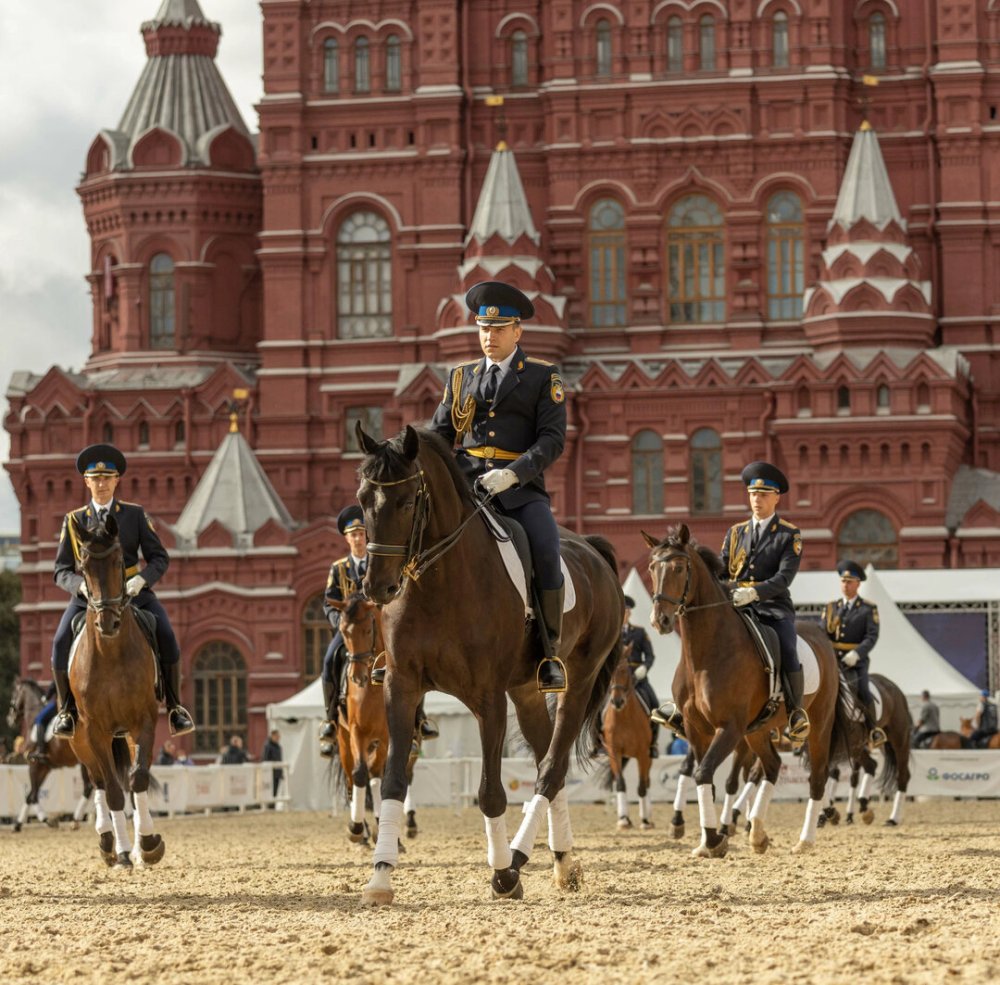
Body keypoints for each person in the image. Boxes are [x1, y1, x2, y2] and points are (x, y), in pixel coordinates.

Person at [430, 280, 568, 692]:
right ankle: (397, 645)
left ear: (517, 332)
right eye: (483, 329)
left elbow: (552, 440)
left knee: (545, 549)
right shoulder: (460, 378)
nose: (489, 337)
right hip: (468, 491)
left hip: (519, 491)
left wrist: (515, 473)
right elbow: (440, 435)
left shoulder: (543, 377)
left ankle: (548, 653)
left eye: (498, 329)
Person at [50, 444, 194, 739]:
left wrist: (141, 580)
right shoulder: (74, 520)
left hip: (132, 592)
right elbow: (61, 569)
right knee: (59, 641)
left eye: (107, 478)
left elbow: (159, 557)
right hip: (89, 597)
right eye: (96, 479)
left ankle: (176, 708)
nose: (101, 484)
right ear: (86, 482)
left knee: (166, 635)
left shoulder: (135, 515)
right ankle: (67, 711)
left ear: (117, 481)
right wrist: (78, 587)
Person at [694, 462, 809, 741]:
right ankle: (684, 703)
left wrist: (755, 593)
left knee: (788, 646)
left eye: (764, 495)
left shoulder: (788, 534)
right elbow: (722, 571)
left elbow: (784, 578)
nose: (757, 500)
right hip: (735, 606)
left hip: (772, 607)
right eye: (753, 494)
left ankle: (794, 713)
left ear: (776, 498)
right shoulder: (735, 533)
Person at [318, 505, 437, 752]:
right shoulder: (338, 568)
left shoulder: (380, 564)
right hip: (352, 632)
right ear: (346, 538)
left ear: (367, 536)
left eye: (361, 534)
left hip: (383, 629)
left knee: (412, 663)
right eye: (353, 535)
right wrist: (339, 624)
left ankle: (419, 720)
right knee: (329, 661)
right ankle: (330, 719)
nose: (358, 539)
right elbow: (329, 600)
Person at [822, 560, 886, 747]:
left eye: (850, 581)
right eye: (843, 581)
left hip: (855, 661)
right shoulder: (831, 607)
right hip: (832, 660)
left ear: (858, 584)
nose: (845, 585)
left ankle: (873, 729)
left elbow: (871, 636)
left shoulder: (868, 608)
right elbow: (822, 632)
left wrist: (857, 654)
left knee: (864, 691)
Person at [622, 595, 661, 758]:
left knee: (654, 704)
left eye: (626, 610)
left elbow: (650, 655)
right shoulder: (610, 631)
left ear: (630, 613)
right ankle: (597, 743)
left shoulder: (639, 632)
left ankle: (652, 743)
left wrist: (644, 669)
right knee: (595, 706)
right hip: (616, 681)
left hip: (638, 678)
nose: (624, 613)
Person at [27, 681, 57, 763]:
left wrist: (46, 697)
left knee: (39, 718)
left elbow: (54, 684)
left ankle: (41, 749)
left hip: (57, 702)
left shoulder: (59, 667)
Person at [261, 728, 284, 799]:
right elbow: (265, 759)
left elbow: (279, 760)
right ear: (272, 736)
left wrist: (280, 772)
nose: (278, 738)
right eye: (277, 736)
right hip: (270, 773)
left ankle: (273, 807)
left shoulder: (278, 747)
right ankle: (270, 807)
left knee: (275, 792)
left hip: (277, 772)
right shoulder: (268, 746)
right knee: (269, 792)